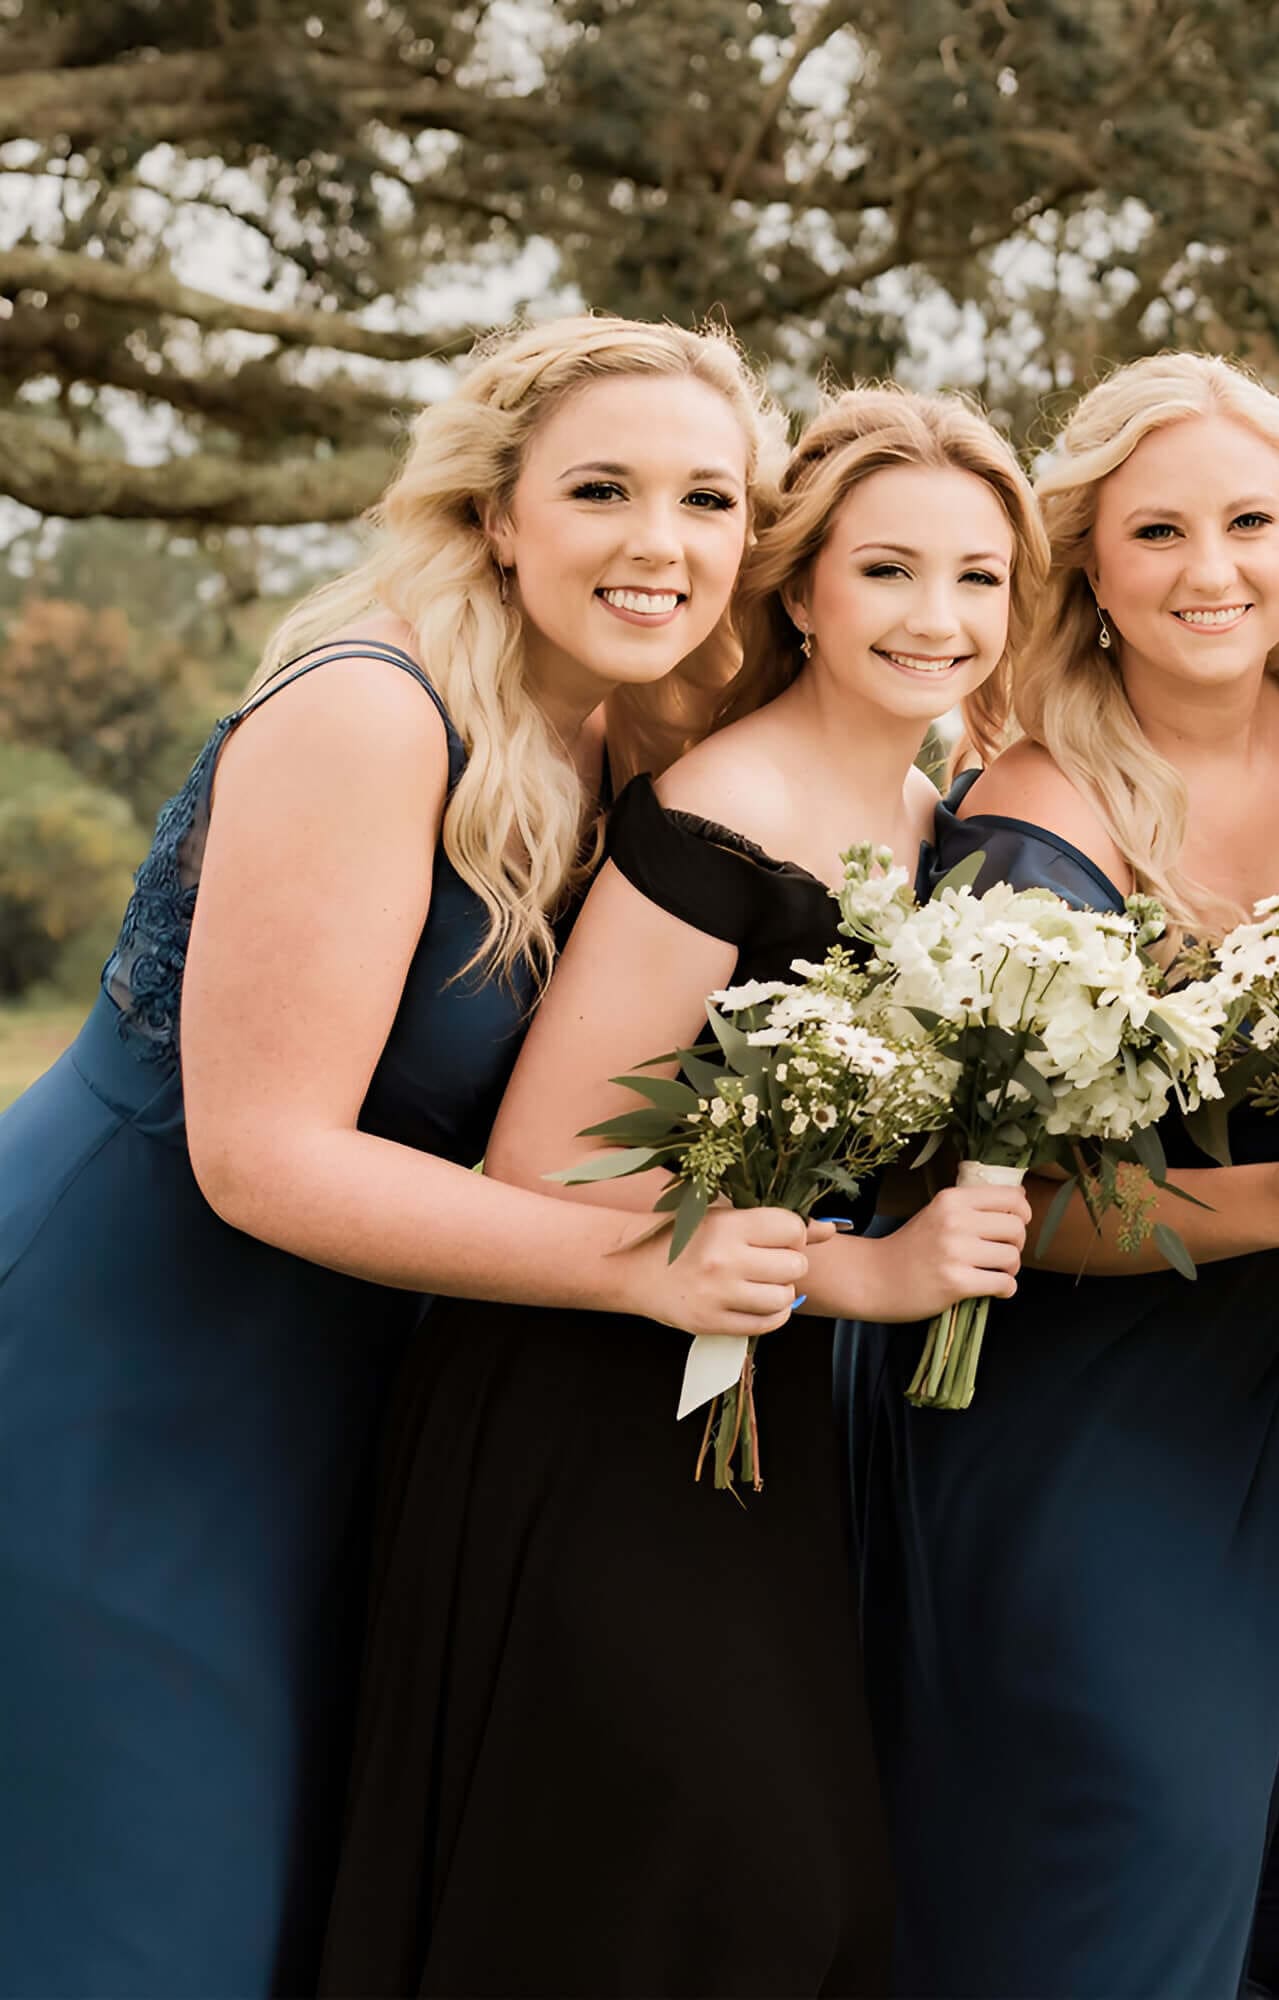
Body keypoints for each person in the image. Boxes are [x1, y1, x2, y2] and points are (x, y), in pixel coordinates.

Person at [0, 316, 815, 1995]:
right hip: (126, 1364)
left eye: (708, 502)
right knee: (144, 1903)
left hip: (343, 1378)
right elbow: (263, 1155)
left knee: (292, 1892)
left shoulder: (633, 740)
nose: (660, 544)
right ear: (499, 513)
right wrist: (641, 1264)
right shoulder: (376, 711)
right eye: (602, 489)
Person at [320, 390, 1044, 1994]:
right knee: (696, 1891)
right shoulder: (716, 812)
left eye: (980, 578)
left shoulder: (935, 817)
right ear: (799, 590)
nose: (941, 619)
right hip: (588, 1409)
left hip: (757, 1409)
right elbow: (549, 1160)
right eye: (889, 573)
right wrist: (865, 1274)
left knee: (760, 1901)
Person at [851, 352, 1279, 1997]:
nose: (1210, 570)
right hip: (1078, 1424)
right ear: (1086, 562)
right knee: (1127, 1847)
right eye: (1156, 531)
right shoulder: (1029, 820)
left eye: (1249, 523)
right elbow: (979, 1209)